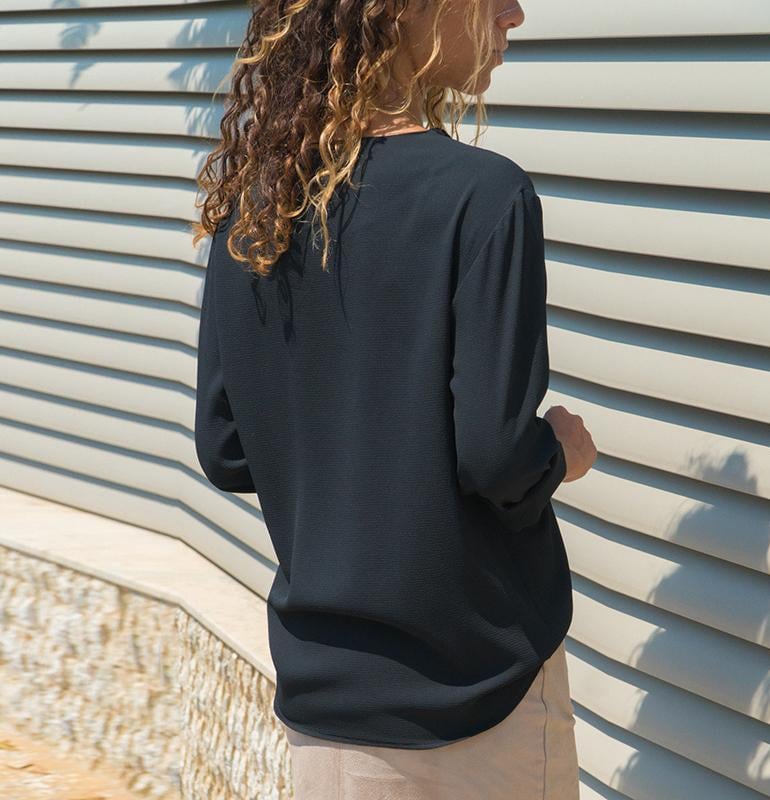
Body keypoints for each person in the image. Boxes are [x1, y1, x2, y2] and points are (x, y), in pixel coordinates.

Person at [193, 0, 597, 796]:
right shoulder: (484, 196)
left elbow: (227, 449)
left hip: (326, 703)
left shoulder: (257, 208)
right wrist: (560, 451)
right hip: (475, 696)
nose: (515, 14)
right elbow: (496, 456)